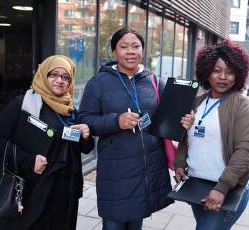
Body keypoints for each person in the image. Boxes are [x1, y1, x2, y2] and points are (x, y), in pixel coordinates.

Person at [78, 27, 194, 230]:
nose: (130, 51)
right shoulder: (98, 83)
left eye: (135, 46)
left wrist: (185, 121)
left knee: (135, 225)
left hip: (146, 173)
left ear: (143, 50)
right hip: (115, 173)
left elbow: (168, 122)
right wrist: (116, 121)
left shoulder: (155, 83)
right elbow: (85, 120)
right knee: (113, 225)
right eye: (123, 46)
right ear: (114, 52)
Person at [0, 55, 95, 230]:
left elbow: (83, 149)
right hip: (31, 190)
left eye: (65, 77)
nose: (59, 80)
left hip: (63, 193)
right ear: (43, 75)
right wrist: (29, 160)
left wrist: (86, 136)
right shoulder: (23, 104)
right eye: (53, 74)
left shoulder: (72, 112)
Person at [174, 39, 249, 230]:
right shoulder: (197, 102)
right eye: (217, 70)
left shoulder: (243, 107)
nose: (223, 77)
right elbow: (186, 140)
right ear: (207, 73)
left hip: (225, 190)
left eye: (229, 72)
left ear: (238, 75)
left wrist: (222, 188)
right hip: (196, 186)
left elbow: (245, 152)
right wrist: (180, 163)